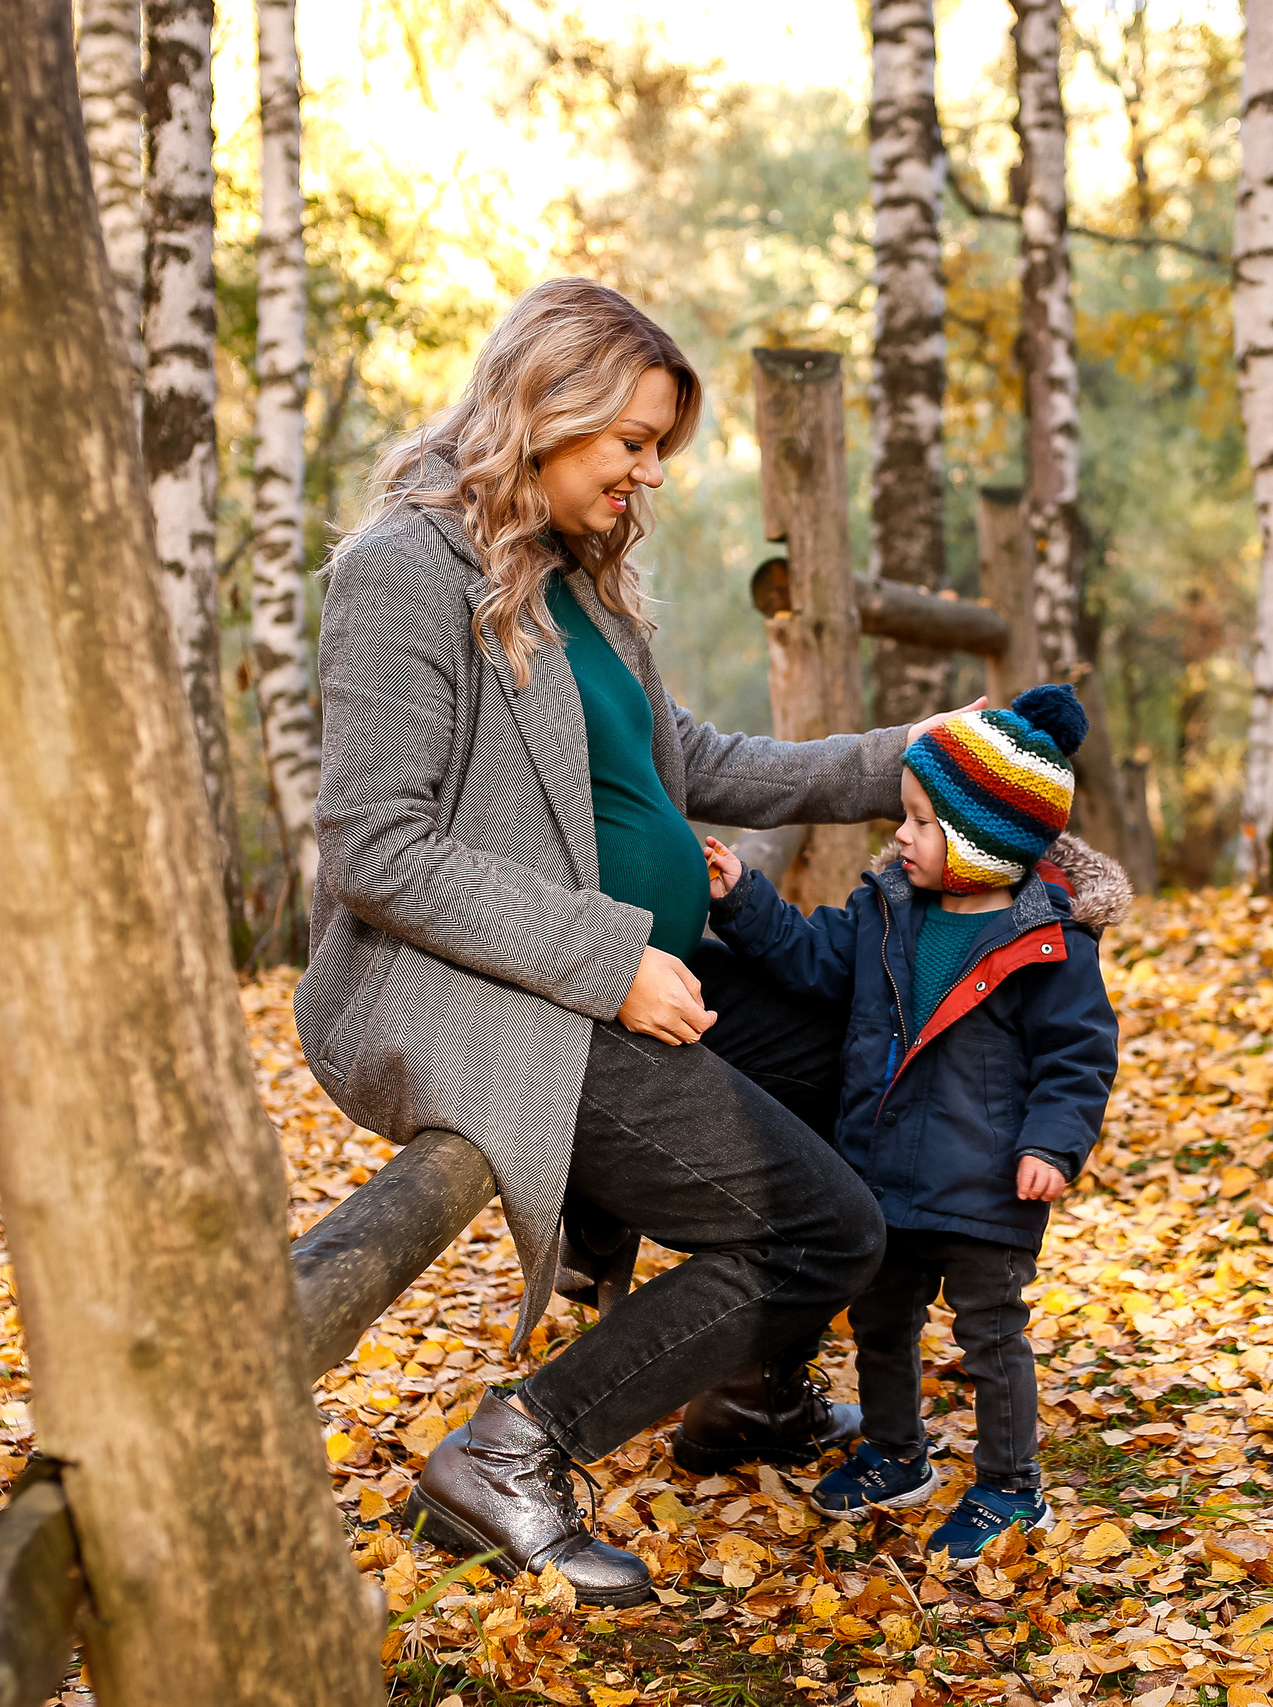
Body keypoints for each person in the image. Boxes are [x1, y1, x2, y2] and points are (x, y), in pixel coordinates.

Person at [297, 277, 977, 1607]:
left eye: (659, 445)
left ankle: (747, 1393)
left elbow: (690, 764)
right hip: (500, 1000)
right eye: (633, 441)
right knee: (813, 1226)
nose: (647, 473)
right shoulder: (402, 570)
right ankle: (511, 1452)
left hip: (629, 977)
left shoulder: (571, 578)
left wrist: (907, 755)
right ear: (548, 407)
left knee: (874, 1060)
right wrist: (609, 961)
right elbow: (373, 849)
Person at [698, 685, 1126, 1559]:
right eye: (907, 816)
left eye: (923, 822)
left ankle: (1012, 1486)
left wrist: (1053, 1143)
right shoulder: (887, 910)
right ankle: (897, 1451)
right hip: (883, 1171)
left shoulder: (1047, 945)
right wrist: (744, 899)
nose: (901, 835)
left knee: (989, 1335)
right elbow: (811, 960)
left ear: (982, 841)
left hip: (983, 1182)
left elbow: (1079, 1056)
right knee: (881, 1322)